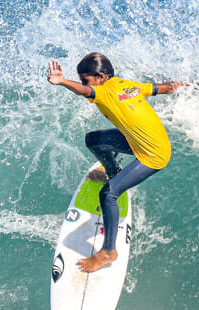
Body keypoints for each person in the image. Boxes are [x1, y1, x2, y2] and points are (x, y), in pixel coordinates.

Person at [47, 52, 187, 273]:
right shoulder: (128, 86)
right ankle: (114, 172)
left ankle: (108, 251)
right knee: (94, 140)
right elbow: (166, 87)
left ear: (101, 77)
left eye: (86, 79)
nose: (85, 84)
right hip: (139, 140)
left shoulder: (102, 92)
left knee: (108, 193)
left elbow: (86, 91)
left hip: (153, 153)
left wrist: (62, 81)